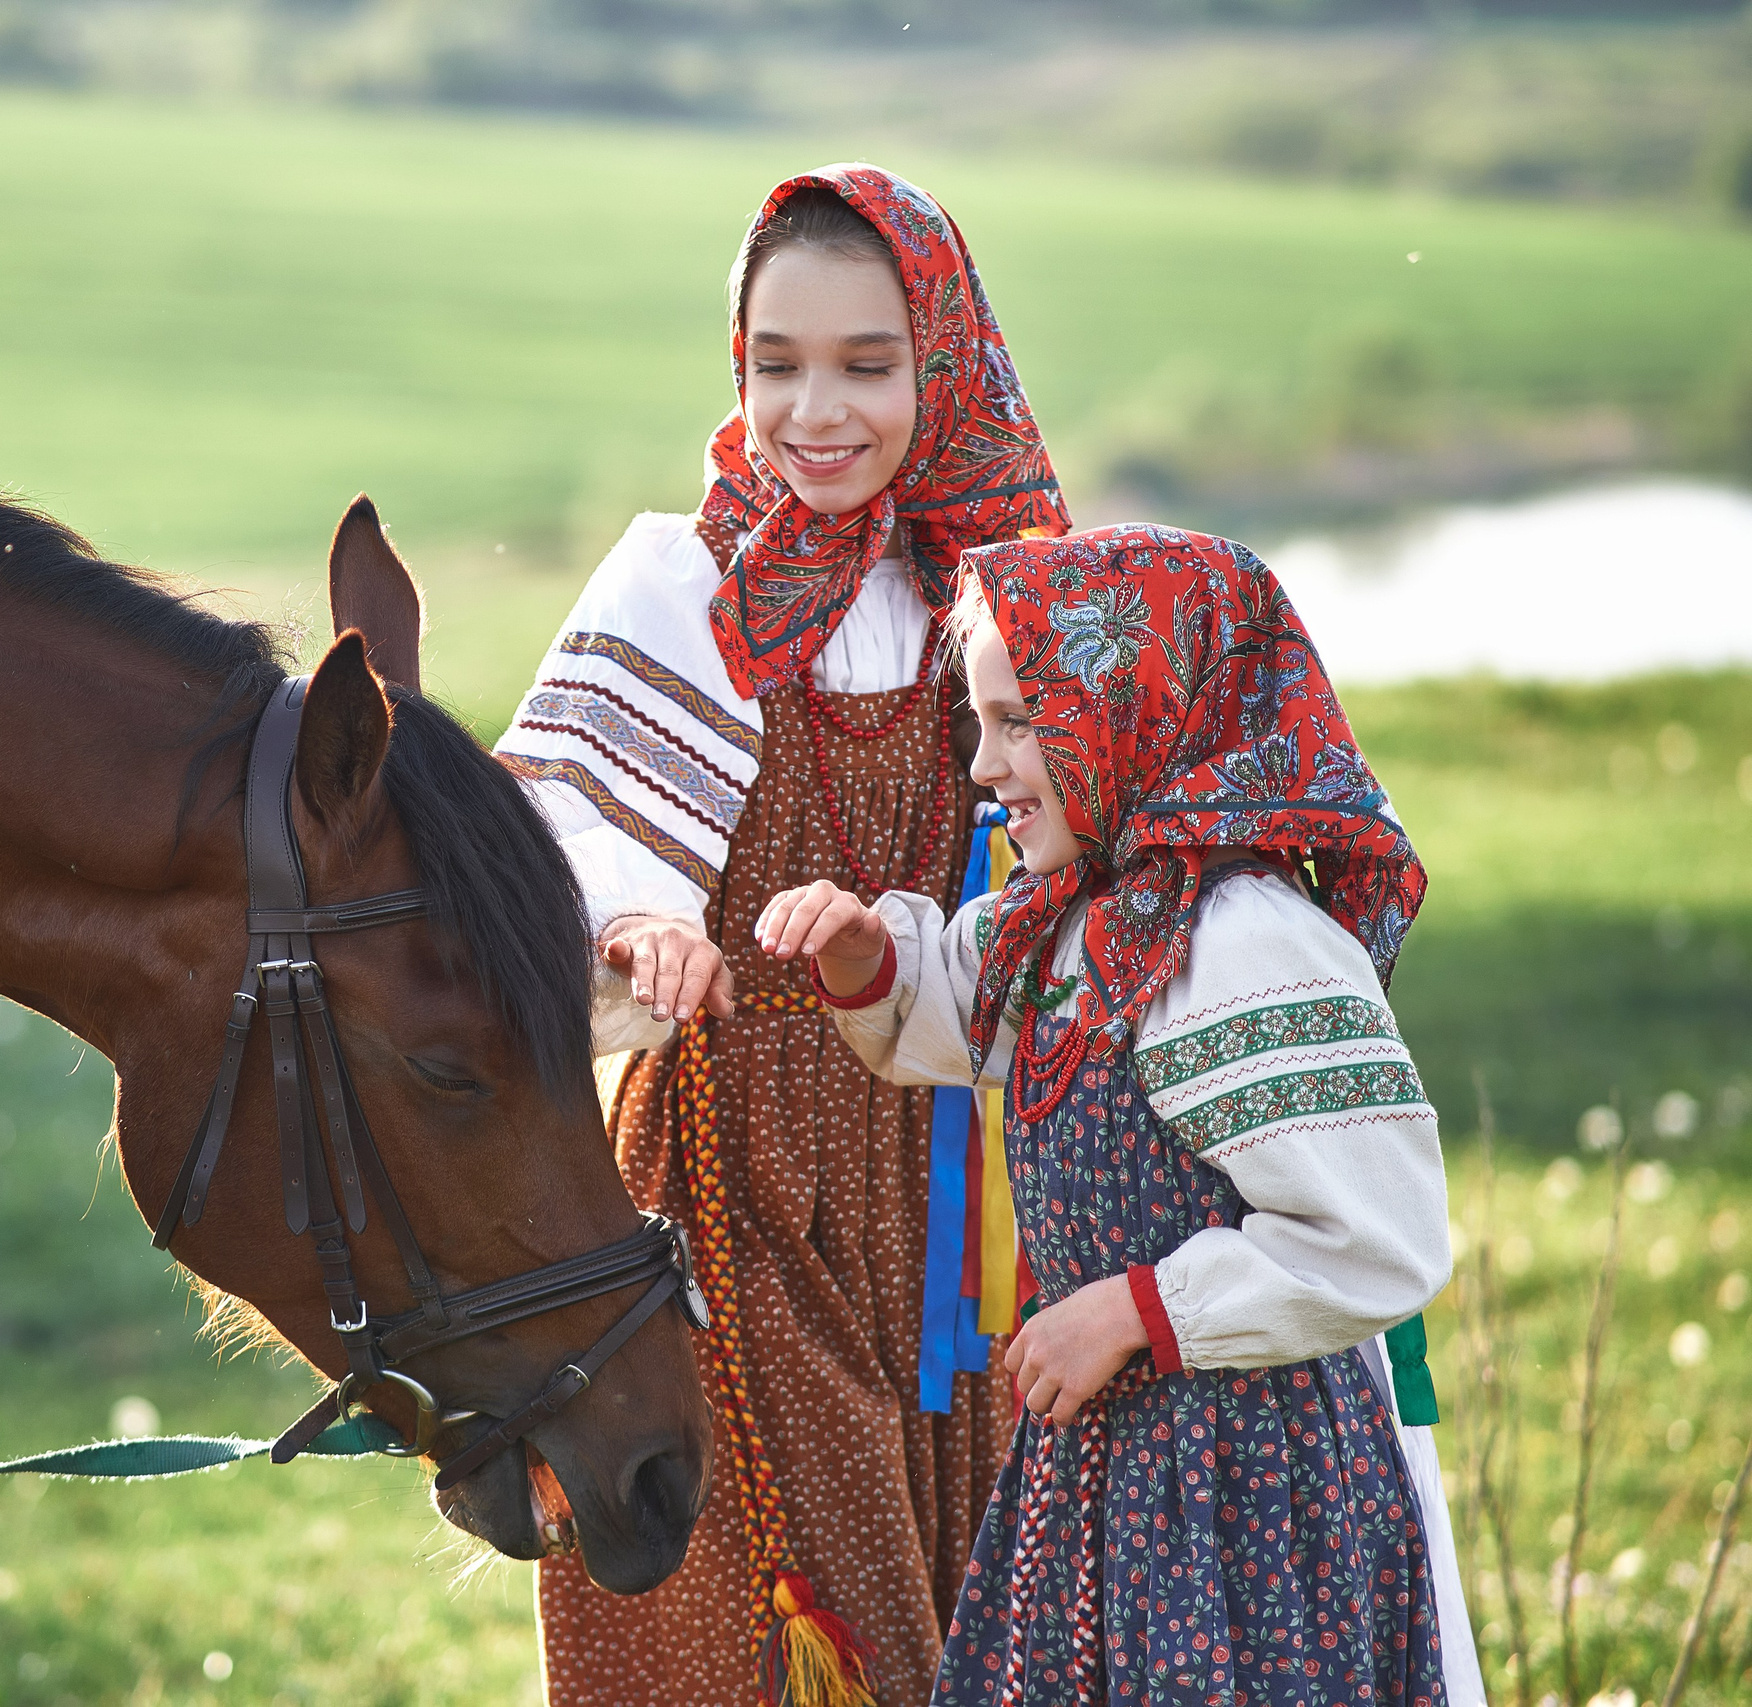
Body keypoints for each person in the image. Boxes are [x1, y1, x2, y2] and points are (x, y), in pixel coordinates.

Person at [496, 164, 1069, 1707]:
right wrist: (637, 921)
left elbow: (1067, 845)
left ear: (941, 364)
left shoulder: (991, 594)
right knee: (817, 1595)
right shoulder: (682, 584)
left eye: (866, 365)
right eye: (775, 363)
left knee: (968, 1567)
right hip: (735, 1153)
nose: (813, 409)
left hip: (944, 1165)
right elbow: (552, 818)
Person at [754, 522, 1483, 1706]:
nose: (983, 766)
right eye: (978, 723)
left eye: (1019, 723)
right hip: (1110, 1469)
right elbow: (948, 1000)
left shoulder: (1243, 944)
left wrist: (1141, 1309)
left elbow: (1380, 1239)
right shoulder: (1063, 919)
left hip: (1248, 1487)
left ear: (1135, 706)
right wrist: (859, 952)